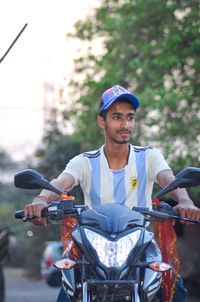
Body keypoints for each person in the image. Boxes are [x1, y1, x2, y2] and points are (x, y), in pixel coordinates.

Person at [24, 84, 200, 302]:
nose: (125, 124)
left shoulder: (149, 157)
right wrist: (41, 200)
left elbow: (170, 181)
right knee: (67, 292)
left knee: (175, 288)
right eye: (117, 117)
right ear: (102, 121)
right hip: (91, 251)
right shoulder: (84, 162)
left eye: (130, 117)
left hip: (139, 247)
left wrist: (185, 202)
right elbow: (59, 183)